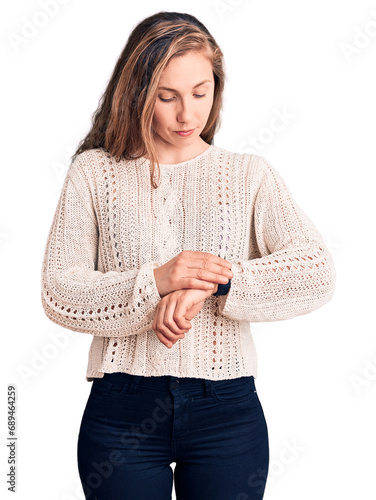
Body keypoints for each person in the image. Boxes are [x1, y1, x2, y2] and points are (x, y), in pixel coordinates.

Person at [40, 11, 336, 500]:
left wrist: (211, 281)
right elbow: (59, 291)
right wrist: (158, 279)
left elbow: (317, 271)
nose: (188, 115)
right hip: (122, 408)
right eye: (167, 97)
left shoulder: (248, 175)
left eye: (201, 92)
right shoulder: (94, 173)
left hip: (226, 409)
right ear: (137, 92)